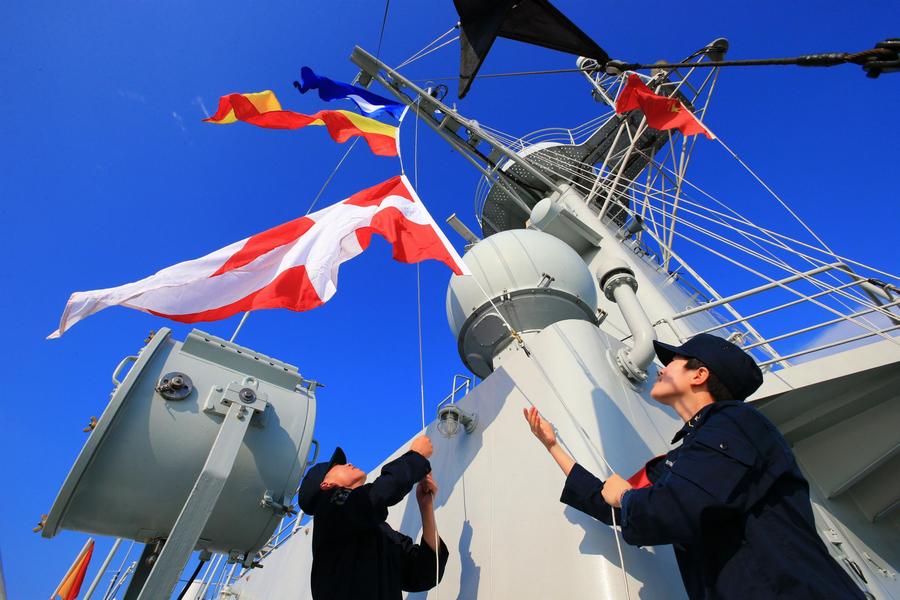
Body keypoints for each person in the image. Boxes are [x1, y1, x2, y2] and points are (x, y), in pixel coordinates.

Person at [524, 333, 865, 599]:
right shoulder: (686, 455)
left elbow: (674, 509)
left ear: (700, 375)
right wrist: (553, 446)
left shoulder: (737, 421)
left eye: (673, 361)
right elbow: (613, 504)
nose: (661, 367)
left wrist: (626, 499)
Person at [297, 434, 449, 600]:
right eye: (337, 466)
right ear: (326, 485)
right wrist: (416, 456)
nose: (348, 463)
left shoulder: (378, 531)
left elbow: (426, 573)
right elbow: (378, 495)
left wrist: (426, 507)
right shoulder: (328, 507)